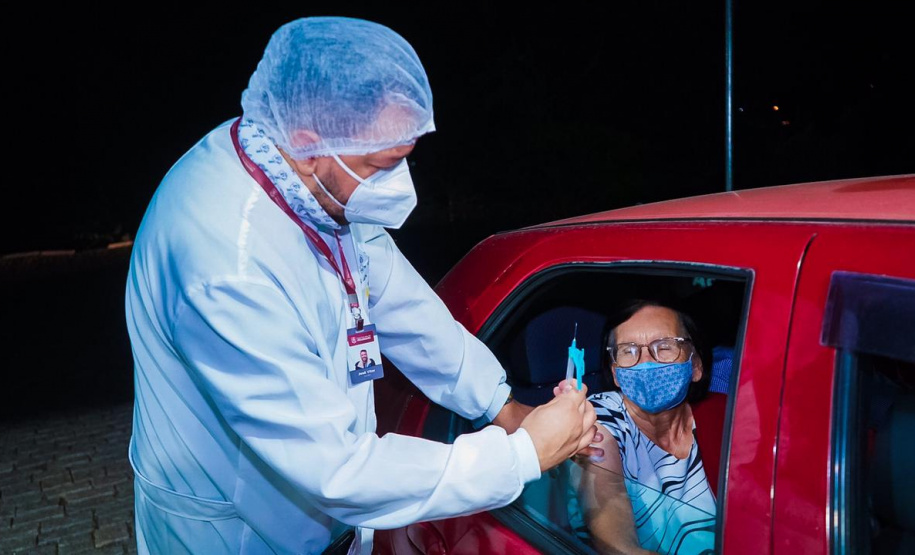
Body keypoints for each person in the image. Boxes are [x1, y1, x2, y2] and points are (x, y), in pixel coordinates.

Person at [125, 16, 597, 555]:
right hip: (236, 533)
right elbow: (337, 470)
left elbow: (400, 304)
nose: (399, 184)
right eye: (382, 164)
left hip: (325, 521)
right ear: (308, 143)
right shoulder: (225, 266)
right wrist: (519, 456)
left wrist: (501, 405)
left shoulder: (309, 179)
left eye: (405, 158)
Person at [558, 300, 715, 554]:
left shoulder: (722, 416)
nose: (645, 363)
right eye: (629, 351)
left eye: (664, 346)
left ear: (695, 365)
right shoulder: (600, 417)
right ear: (616, 373)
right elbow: (613, 529)